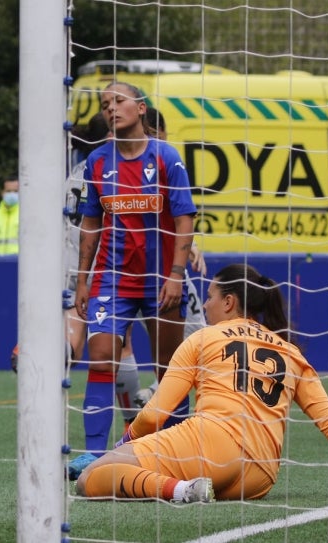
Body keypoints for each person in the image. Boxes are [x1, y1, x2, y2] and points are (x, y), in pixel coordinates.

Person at [76, 263, 328, 502]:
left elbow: (153, 415)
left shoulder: (204, 338)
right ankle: (187, 486)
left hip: (210, 446)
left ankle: (179, 490)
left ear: (229, 302)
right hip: (260, 477)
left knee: (91, 478)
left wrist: (123, 444)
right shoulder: (290, 351)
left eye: (210, 296)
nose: (205, 305)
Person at [69, 81, 198, 479]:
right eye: (106, 103)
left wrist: (177, 275)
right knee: (102, 354)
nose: (111, 108)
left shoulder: (166, 157)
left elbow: (184, 219)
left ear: (141, 108)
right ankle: (93, 455)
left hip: (161, 279)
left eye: (119, 101)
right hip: (112, 277)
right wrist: (83, 280)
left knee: (169, 369)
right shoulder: (96, 161)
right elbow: (91, 221)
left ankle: (177, 453)